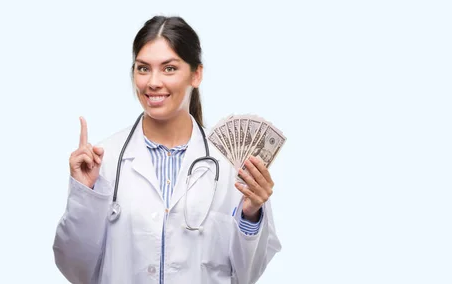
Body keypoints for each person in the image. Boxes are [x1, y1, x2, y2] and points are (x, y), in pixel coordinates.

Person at [52, 15, 282, 284]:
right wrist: (84, 197)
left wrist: (251, 214)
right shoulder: (104, 159)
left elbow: (247, 275)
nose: (153, 82)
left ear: (196, 74)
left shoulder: (230, 164)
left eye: (169, 68)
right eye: (143, 68)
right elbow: (76, 270)